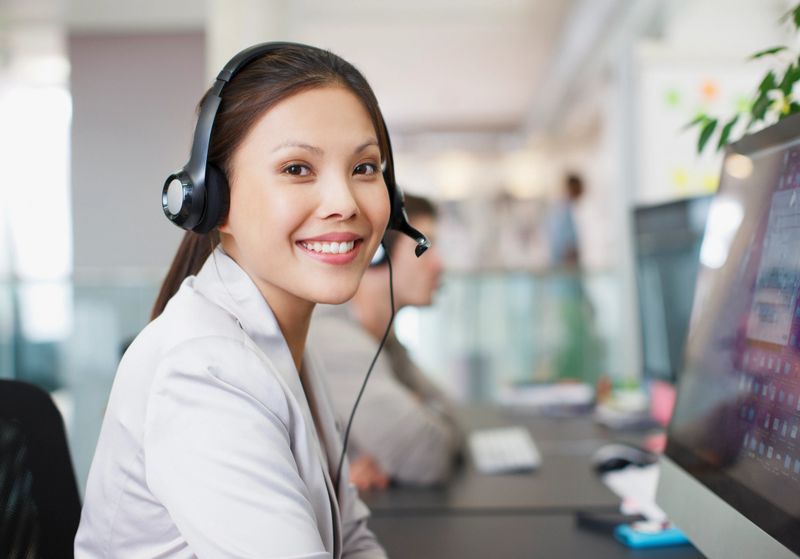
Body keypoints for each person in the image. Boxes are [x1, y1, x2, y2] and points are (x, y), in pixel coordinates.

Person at [74, 42, 412, 558]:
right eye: (297, 168)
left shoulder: (285, 343)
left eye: (364, 168)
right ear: (213, 201)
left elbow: (355, 540)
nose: (345, 203)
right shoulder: (203, 375)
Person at [311, 195, 463, 490]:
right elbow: (428, 455)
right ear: (377, 251)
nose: (440, 264)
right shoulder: (335, 341)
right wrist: (419, 413)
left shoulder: (383, 340)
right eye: (425, 246)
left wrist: (425, 414)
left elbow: (452, 414)